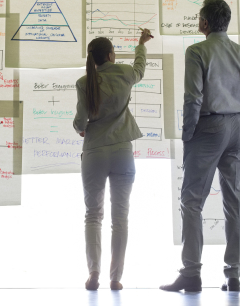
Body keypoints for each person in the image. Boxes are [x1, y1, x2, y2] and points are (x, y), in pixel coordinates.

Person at [160, 0, 240, 293]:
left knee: (192, 201)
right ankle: (233, 275)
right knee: (234, 201)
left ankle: (191, 273)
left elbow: (192, 98)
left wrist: (187, 134)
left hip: (208, 128)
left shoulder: (197, 51)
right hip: (239, 128)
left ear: (204, 23)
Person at [73, 29, 153, 291]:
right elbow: (140, 69)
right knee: (121, 218)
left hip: (94, 152)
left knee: (92, 215)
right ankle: (115, 278)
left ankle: (93, 273)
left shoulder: (84, 83)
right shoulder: (124, 74)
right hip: (122, 153)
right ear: (110, 55)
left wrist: (82, 127)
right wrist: (140, 45)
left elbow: (80, 122)